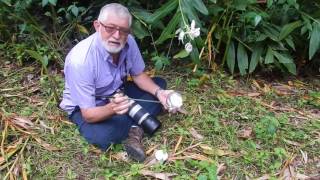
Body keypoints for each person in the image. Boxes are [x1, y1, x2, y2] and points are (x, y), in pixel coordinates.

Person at [59, 3, 176, 162]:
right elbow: (89, 115)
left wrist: (159, 93)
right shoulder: (81, 60)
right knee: (104, 138)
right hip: (87, 106)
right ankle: (138, 123)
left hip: (117, 93)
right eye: (110, 28)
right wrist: (113, 109)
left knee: (159, 85)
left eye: (123, 30)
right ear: (97, 26)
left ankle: (133, 127)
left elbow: (139, 75)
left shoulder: (130, 43)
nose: (116, 35)